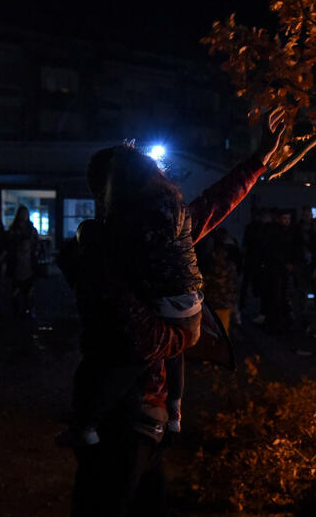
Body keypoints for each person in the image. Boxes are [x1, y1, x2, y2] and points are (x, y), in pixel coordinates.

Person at [60, 109, 286, 516]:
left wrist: (259, 160)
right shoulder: (102, 254)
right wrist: (183, 336)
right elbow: (137, 339)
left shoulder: (160, 237)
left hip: (152, 417)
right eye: (151, 179)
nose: (161, 185)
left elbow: (212, 205)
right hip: (122, 421)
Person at [60, 144, 207, 447]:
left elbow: (134, 257)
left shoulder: (148, 212)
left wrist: (89, 239)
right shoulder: (168, 202)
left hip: (171, 309)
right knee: (161, 354)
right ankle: (174, 411)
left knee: (128, 358)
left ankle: (89, 423)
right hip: (185, 303)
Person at [260, 209, 296, 333]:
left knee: (283, 294)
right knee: (275, 294)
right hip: (275, 268)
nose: (287, 221)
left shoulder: (289, 232)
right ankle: (275, 321)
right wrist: (284, 262)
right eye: (285, 219)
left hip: (284, 269)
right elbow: (273, 250)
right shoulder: (274, 232)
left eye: (288, 219)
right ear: (279, 219)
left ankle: (280, 320)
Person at [201, 228, 241, 334]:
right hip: (224, 302)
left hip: (214, 303)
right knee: (223, 329)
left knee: (214, 329)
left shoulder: (211, 267)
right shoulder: (230, 266)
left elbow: (204, 284)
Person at [6, 204, 39, 319]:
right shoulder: (15, 229)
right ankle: (18, 310)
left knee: (28, 289)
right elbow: (9, 244)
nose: (24, 216)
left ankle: (27, 309)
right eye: (22, 214)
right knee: (17, 288)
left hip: (29, 261)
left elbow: (36, 243)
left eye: (25, 214)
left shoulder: (30, 228)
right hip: (17, 261)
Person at [242, 208, 272, 324]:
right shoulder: (260, 229)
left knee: (255, 287)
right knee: (256, 287)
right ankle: (249, 309)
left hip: (257, 262)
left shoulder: (260, 229)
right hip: (257, 262)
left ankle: (247, 308)